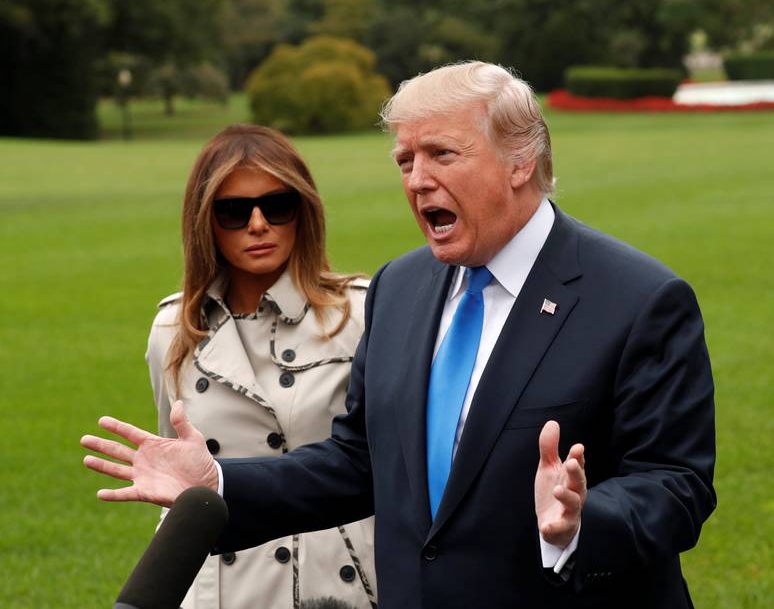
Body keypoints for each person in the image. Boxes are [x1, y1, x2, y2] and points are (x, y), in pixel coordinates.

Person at [83, 62, 716, 608]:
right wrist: (220, 482)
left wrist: (582, 522)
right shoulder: (401, 287)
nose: (416, 180)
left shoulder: (639, 300)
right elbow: (358, 461)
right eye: (405, 160)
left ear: (521, 162)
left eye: (442, 154)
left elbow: (675, 483)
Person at [142, 124, 376, 609]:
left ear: (303, 212)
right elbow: (178, 476)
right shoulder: (173, 329)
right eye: (233, 211)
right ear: (204, 221)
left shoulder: (359, 313)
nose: (257, 224)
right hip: (222, 585)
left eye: (277, 206)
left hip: (335, 580)